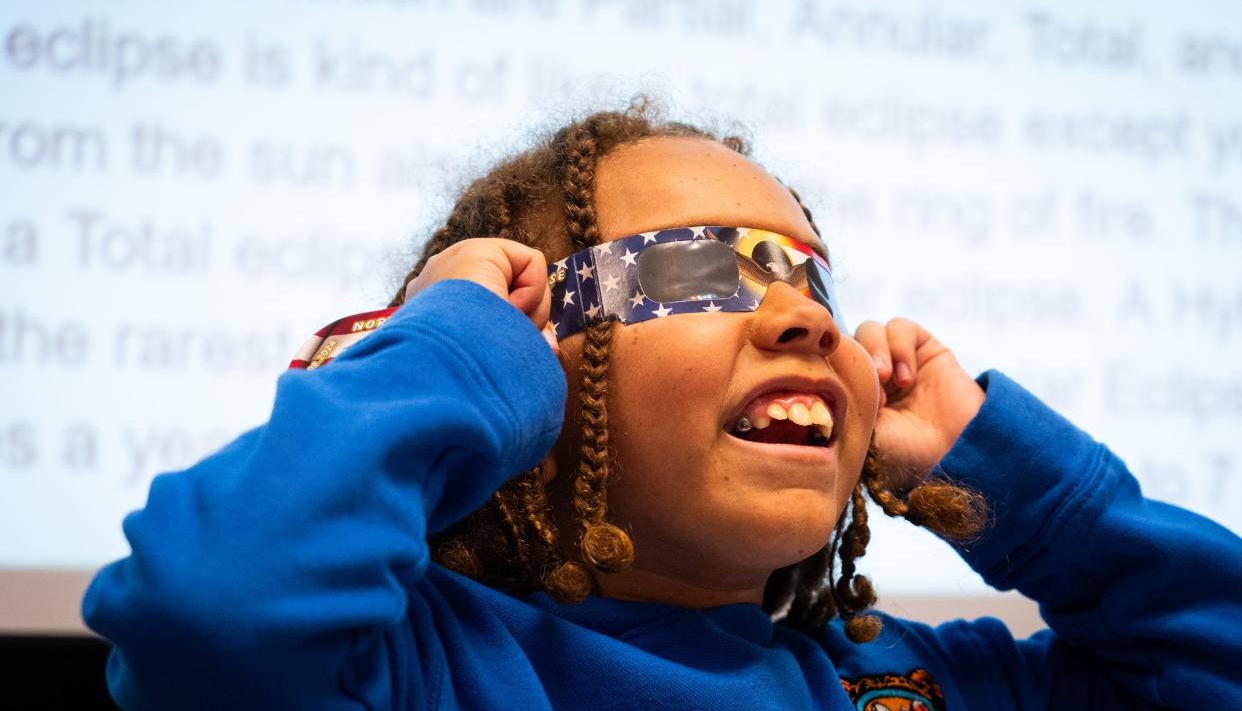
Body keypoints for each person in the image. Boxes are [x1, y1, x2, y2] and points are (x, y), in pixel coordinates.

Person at [83, 103, 1242, 710]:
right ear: (533, 360)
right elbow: (210, 605)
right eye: (697, 273)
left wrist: (1027, 495)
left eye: (812, 283)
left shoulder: (927, 683)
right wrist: (449, 357)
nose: (804, 322)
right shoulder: (422, 670)